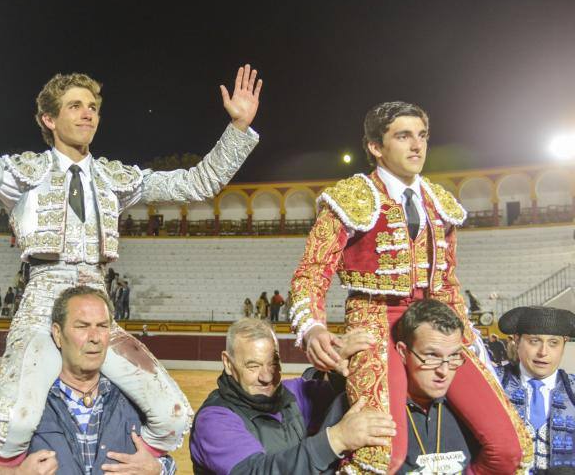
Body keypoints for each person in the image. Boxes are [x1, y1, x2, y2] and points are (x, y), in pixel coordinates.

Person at [0, 29, 262, 461]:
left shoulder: (116, 178)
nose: (87, 114)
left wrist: (238, 128)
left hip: (97, 302)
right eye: (74, 106)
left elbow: (199, 183)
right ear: (49, 118)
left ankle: (130, 464)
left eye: (93, 107)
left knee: (175, 414)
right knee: (15, 422)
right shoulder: (22, 172)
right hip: (42, 302)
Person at [290, 101, 531, 473]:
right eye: (403, 136)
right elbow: (311, 271)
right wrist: (313, 327)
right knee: (381, 454)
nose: (417, 146)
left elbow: (448, 280)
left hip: (440, 325)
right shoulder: (349, 199)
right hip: (375, 322)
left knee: (511, 447)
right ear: (375, 146)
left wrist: (465, 334)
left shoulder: (441, 202)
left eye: (422, 136)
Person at [0, 286, 176, 474]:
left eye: (102, 326)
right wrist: (13, 474)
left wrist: (159, 469)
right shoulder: (22, 388)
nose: (95, 338)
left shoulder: (132, 393)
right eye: (82, 326)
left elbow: (168, 463)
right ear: (57, 334)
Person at [190, 318, 395, 474]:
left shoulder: (291, 392)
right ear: (227, 363)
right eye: (253, 366)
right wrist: (336, 439)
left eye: (274, 363)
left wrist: (337, 362)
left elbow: (341, 396)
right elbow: (257, 471)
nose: (266, 376)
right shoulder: (214, 419)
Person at [496, 306, 575, 472]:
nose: (543, 352)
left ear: (563, 344)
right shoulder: (494, 383)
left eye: (553, 343)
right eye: (534, 341)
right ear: (516, 341)